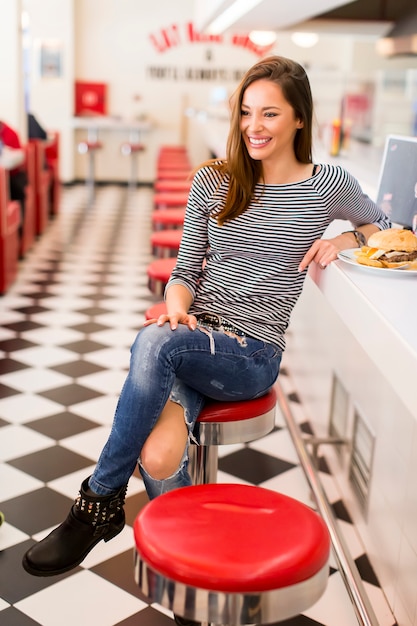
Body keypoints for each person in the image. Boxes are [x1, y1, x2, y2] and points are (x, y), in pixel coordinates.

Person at [22, 55, 391, 625]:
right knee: (160, 450)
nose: (255, 126)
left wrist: (345, 241)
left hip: (251, 353)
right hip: (196, 340)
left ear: (299, 118)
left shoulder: (326, 185)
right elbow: (184, 273)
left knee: (153, 344)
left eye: (270, 113)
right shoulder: (216, 178)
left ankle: (96, 505)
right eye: (246, 112)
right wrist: (177, 311)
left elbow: (391, 229)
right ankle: (188, 568)